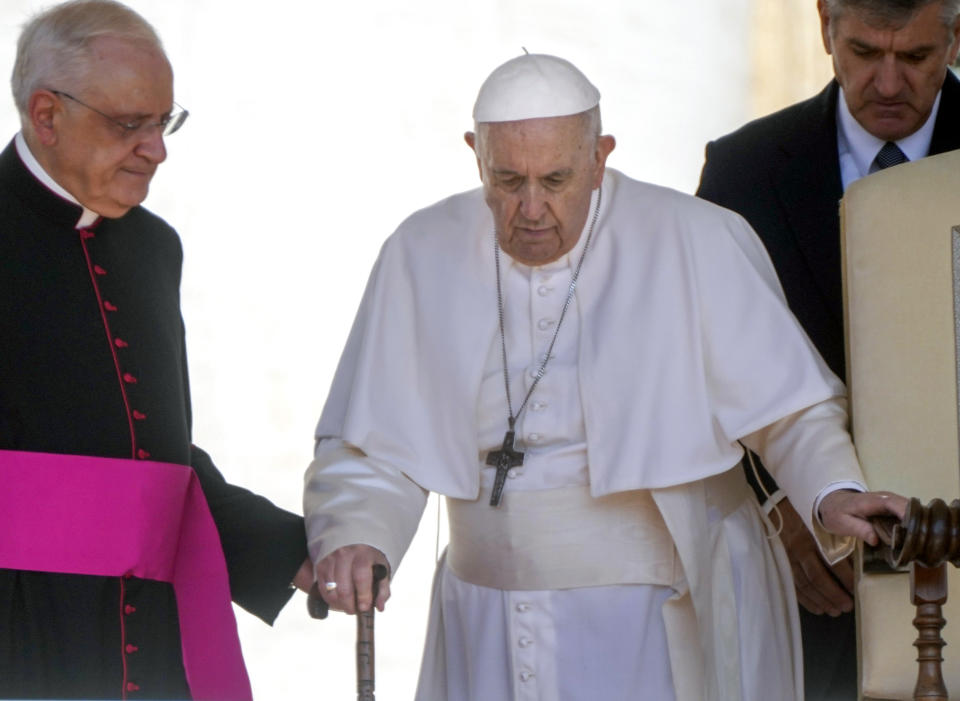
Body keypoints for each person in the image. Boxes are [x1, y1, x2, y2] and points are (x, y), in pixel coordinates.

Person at [303, 52, 906, 700]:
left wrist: (831, 489)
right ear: (475, 154)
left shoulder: (694, 240)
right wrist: (357, 532)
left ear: (600, 156)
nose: (530, 208)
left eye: (555, 178)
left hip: (657, 619)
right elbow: (375, 444)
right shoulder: (419, 253)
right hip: (486, 622)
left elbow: (790, 409)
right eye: (507, 180)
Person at [0, 1, 312, 698]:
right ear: (46, 115)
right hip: (30, 637)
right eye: (129, 124)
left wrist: (289, 551)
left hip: (156, 644)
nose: (157, 148)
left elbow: (156, 457)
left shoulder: (151, 246)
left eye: (164, 121)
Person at [696, 1, 960, 696]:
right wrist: (783, 511)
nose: (890, 83)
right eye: (866, 52)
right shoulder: (741, 172)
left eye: (916, 58)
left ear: (958, 36)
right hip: (811, 582)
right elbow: (703, 364)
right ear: (824, 29)